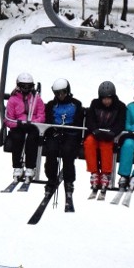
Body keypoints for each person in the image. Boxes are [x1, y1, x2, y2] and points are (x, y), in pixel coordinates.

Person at [42, 78, 84, 212]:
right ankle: (51, 178)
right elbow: (48, 121)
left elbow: (78, 122)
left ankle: (69, 182)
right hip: (55, 133)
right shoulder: (51, 105)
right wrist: (54, 131)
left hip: (71, 135)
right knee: (51, 150)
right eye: (57, 93)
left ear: (68, 91)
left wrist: (70, 132)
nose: (60, 96)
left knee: (67, 152)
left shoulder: (76, 104)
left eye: (63, 92)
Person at [84, 81, 126, 198]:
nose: (106, 101)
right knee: (89, 142)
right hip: (96, 133)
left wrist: (113, 132)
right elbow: (90, 119)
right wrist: (94, 130)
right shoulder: (95, 104)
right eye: (104, 99)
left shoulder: (120, 107)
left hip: (109, 135)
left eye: (108, 99)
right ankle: (94, 172)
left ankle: (106, 173)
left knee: (106, 145)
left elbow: (121, 122)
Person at [4, 72, 45, 183]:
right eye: (23, 86)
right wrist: (18, 123)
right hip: (19, 126)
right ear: (18, 86)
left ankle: (30, 167)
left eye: (29, 86)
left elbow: (42, 115)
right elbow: (8, 118)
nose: (26, 89)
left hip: (32, 126)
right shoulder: (13, 100)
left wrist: (33, 122)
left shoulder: (36, 99)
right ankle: (17, 166)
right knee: (17, 138)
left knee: (32, 139)